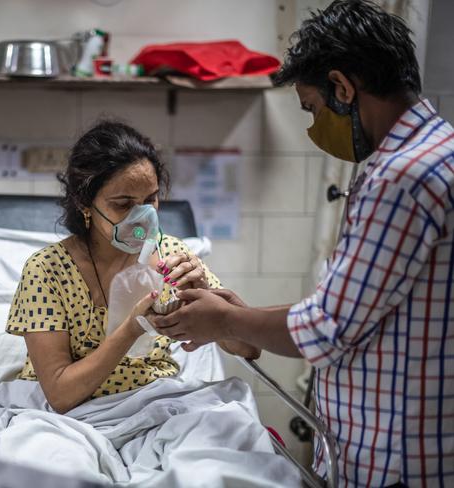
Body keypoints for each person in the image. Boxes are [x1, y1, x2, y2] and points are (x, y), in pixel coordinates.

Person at [151, 1, 454, 487]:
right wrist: (243, 314)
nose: (314, 128)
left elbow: (329, 326)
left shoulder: (401, 177)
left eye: (312, 108)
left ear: (343, 87)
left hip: (398, 462)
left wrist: (227, 320)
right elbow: (363, 307)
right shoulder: (437, 152)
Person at [5, 120, 257, 414]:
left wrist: (212, 306)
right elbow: (60, 395)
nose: (143, 218)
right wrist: (131, 329)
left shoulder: (173, 256)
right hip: (71, 418)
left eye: (150, 200)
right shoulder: (48, 271)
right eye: (124, 204)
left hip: (156, 406)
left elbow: (249, 349)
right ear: (85, 204)